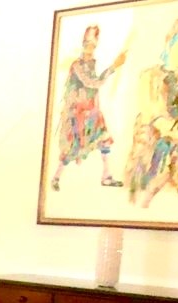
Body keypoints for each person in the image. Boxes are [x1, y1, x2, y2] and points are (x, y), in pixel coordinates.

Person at [50, 25, 127, 191]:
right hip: (77, 114)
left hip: (91, 112)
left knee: (104, 139)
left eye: (92, 45)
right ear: (83, 44)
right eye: (87, 44)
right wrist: (113, 67)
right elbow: (92, 83)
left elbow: (94, 87)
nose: (89, 48)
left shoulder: (91, 63)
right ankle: (56, 177)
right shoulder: (77, 65)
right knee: (72, 148)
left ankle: (106, 176)